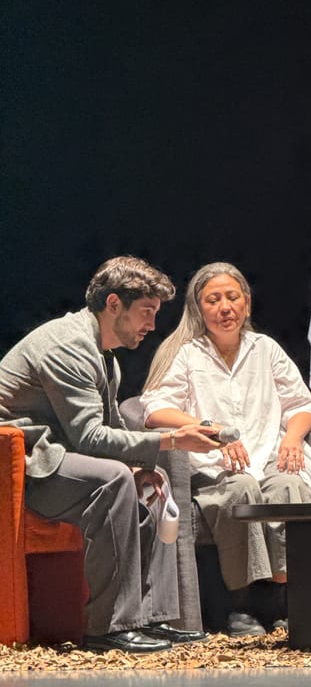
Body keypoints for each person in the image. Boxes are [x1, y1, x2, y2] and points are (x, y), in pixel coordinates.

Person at [0, 256, 224, 653]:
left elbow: (110, 427)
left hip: (55, 455)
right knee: (113, 480)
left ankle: (151, 618)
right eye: (146, 313)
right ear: (114, 304)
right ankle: (108, 627)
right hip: (21, 466)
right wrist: (171, 441)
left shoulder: (105, 356)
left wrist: (142, 467)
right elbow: (89, 437)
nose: (152, 326)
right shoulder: (66, 346)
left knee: (150, 485)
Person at [141, 262, 311, 636]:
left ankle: (284, 602)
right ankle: (244, 606)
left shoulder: (266, 349)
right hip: (214, 465)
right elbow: (154, 409)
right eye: (213, 300)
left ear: (246, 302)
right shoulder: (188, 354)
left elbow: (301, 404)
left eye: (232, 297)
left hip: (269, 456)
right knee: (241, 489)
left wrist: (292, 439)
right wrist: (210, 431)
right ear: (200, 308)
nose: (224, 307)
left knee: (288, 487)